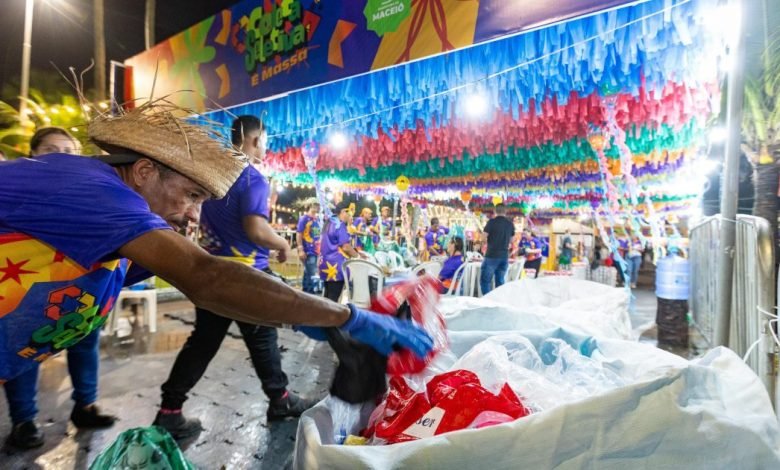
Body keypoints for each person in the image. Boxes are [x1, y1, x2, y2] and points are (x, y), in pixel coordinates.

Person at [0, 103, 433, 448]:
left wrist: (301, 313)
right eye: (191, 195)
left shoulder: (125, 228)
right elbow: (205, 277)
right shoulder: (96, 192)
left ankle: (206, 404)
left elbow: (210, 286)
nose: (194, 214)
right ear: (145, 172)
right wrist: (347, 316)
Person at [154, 115, 313, 439]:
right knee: (263, 337)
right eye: (265, 140)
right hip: (246, 274)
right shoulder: (253, 178)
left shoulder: (216, 176)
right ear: (255, 139)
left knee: (203, 342)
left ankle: (169, 409)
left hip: (212, 271)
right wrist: (283, 244)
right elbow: (256, 229)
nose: (265, 147)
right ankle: (280, 400)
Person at [1, 125, 113, 450]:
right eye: (51, 150)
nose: (61, 157)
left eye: (69, 151)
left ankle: (86, 406)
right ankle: (24, 421)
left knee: (85, 342)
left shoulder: (93, 191)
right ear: (33, 154)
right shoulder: (13, 188)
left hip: (80, 287)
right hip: (28, 289)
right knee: (25, 349)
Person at [320, 202, 363, 302]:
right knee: (333, 298)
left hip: (325, 263)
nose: (350, 216)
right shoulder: (340, 225)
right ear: (344, 212)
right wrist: (358, 256)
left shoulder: (329, 222)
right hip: (336, 266)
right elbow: (345, 247)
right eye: (349, 213)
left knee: (327, 296)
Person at [480, 205, 515, 294]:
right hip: (504, 256)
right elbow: (512, 240)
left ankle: (487, 300)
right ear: (505, 212)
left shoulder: (491, 222)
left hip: (491, 255)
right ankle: (498, 300)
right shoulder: (510, 224)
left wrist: (485, 242)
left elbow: (483, 237)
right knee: (500, 281)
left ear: (495, 211)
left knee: (485, 280)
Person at [296, 201, 321, 294]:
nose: (317, 207)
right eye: (315, 205)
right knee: (312, 274)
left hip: (316, 250)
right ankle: (311, 295)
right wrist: (300, 249)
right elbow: (299, 233)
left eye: (318, 206)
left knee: (307, 273)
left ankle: (305, 294)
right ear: (310, 206)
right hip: (308, 250)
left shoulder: (317, 219)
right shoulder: (304, 218)